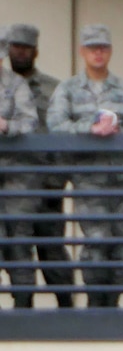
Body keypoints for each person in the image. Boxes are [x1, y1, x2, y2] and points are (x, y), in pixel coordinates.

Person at [47, 25, 123, 308]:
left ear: (110, 51)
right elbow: (55, 127)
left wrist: (119, 132)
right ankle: (97, 306)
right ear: (82, 52)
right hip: (90, 181)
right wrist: (90, 129)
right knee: (97, 245)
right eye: (92, 48)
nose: (97, 53)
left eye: (102, 47)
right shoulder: (68, 89)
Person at [4, 24, 66, 308]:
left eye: (25, 47)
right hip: (11, 181)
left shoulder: (53, 88)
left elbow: (62, 135)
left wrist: (58, 177)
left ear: (36, 51)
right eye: (15, 46)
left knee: (51, 251)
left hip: (46, 181)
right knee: (15, 246)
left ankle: (67, 308)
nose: (19, 51)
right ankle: (22, 304)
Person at [0, 65, 39, 307]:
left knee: (20, 243)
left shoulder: (15, 84)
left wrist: (5, 126)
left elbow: (30, 123)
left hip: (16, 178)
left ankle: (23, 308)